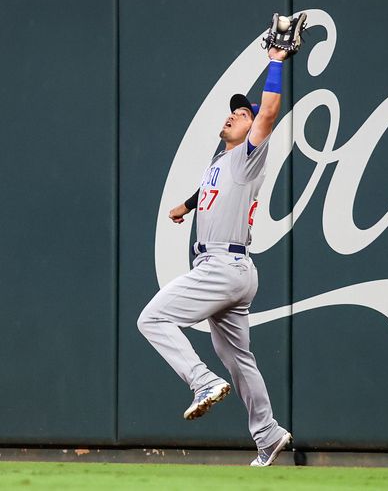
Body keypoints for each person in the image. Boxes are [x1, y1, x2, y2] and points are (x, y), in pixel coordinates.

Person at [137, 44, 292, 467]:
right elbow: (209, 191)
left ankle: (202, 381)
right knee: (239, 360)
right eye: (233, 112)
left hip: (223, 265)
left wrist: (275, 63)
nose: (233, 115)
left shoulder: (247, 155)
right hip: (235, 269)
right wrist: (185, 206)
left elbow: (270, 113)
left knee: (152, 318)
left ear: (252, 127)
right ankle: (268, 434)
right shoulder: (221, 162)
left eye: (242, 114)